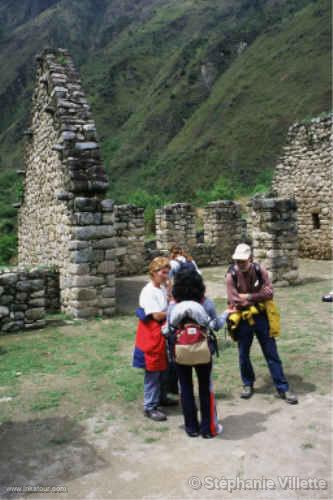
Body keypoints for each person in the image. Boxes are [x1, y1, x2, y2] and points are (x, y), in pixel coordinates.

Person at [226, 243, 298, 404]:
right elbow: (233, 299)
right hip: (243, 318)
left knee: (271, 353)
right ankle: (247, 384)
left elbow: (270, 292)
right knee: (243, 353)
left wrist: (248, 297)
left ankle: (283, 388)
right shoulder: (231, 275)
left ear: (250, 259)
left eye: (243, 261)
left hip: (261, 317)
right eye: (237, 261)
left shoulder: (260, 270)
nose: (240, 264)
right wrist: (255, 297)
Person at [167, 269, 229, 438]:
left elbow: (168, 329)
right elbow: (215, 326)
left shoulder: (173, 305)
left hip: (180, 351)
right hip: (202, 349)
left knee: (185, 388)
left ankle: (191, 428)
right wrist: (226, 313)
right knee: (205, 388)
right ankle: (208, 429)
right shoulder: (205, 303)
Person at [132, 257, 175, 422]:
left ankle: (161, 397)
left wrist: (169, 290)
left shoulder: (162, 288)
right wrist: (174, 311)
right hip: (151, 334)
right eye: (163, 273)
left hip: (161, 333)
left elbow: (168, 302)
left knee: (164, 368)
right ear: (154, 273)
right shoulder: (148, 291)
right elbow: (156, 314)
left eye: (167, 272)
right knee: (153, 371)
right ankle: (150, 406)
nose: (166, 276)